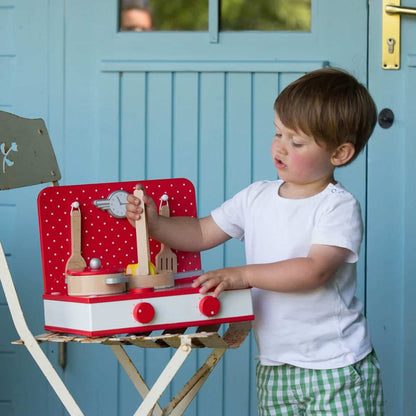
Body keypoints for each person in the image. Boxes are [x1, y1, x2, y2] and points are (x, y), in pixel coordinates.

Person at [126, 68, 384, 415]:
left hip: (334, 366)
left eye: (297, 142)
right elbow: (201, 233)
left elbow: (315, 270)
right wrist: (156, 224)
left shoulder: (337, 206)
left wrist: (242, 276)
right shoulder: (256, 197)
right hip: (275, 365)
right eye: (278, 132)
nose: (280, 146)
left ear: (339, 154)